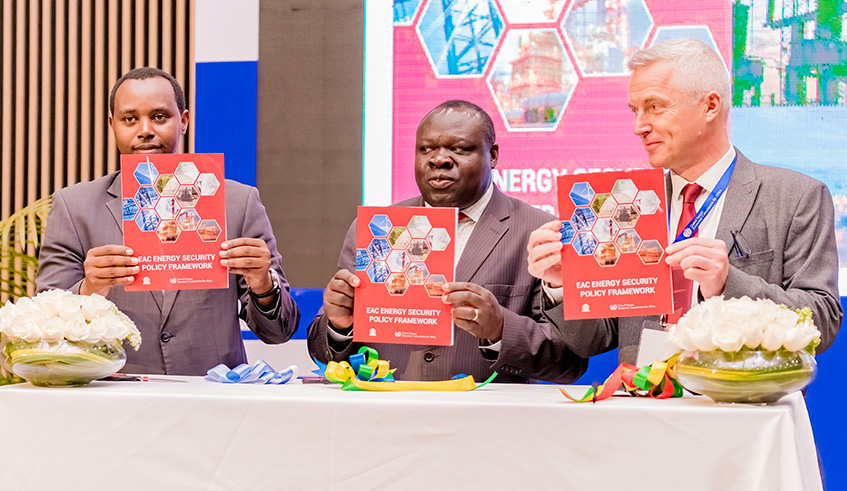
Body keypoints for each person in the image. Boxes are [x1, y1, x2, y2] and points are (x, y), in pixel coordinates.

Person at [526, 38, 842, 365]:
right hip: (645, 403)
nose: (639, 127)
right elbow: (595, 338)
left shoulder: (795, 197)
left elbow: (822, 319)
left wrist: (728, 283)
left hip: (742, 407)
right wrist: (562, 283)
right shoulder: (623, 205)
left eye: (655, 106)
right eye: (636, 110)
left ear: (710, 106)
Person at [36, 67, 299, 375]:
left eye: (160, 117)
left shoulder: (239, 203)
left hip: (211, 396)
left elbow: (279, 332)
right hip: (111, 398)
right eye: (130, 118)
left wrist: (263, 284)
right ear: (112, 125)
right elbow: (43, 323)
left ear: (183, 121)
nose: (145, 129)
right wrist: (89, 287)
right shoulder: (74, 207)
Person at [307, 101, 587, 383]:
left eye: (459, 149)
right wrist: (338, 326)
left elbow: (567, 360)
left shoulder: (540, 232)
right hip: (387, 417)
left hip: (490, 421)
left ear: (492, 155)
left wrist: (500, 329)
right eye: (425, 149)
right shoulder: (374, 229)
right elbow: (324, 353)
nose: (438, 160)